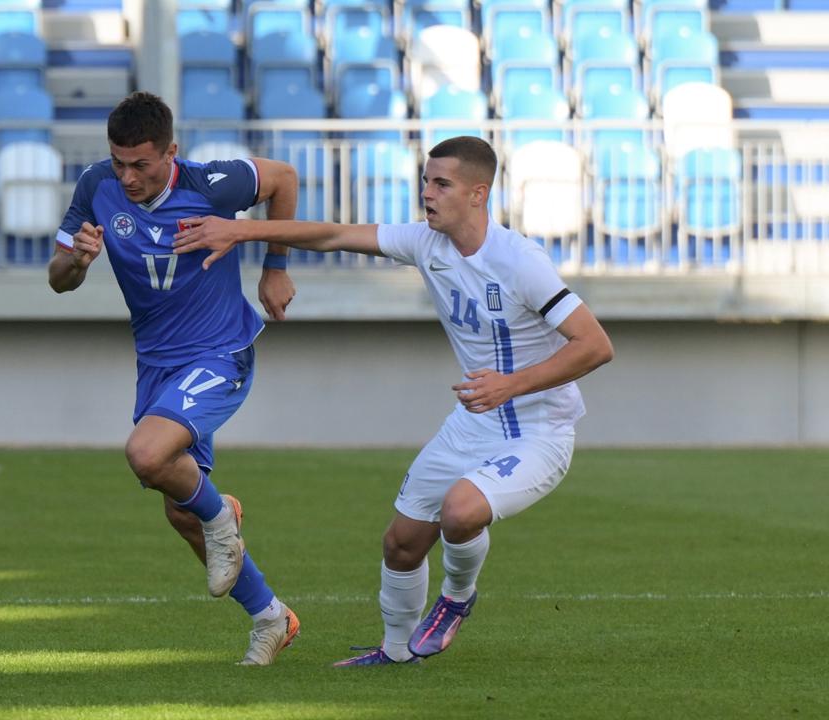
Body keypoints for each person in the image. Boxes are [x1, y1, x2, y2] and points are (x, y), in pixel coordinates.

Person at [172, 135, 615, 666]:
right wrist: (245, 231)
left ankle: (455, 600)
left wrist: (509, 385)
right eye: (425, 180)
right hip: (474, 422)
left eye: (441, 184)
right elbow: (333, 234)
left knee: (460, 511)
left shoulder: (521, 262)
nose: (427, 193)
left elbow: (595, 345)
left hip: (541, 430)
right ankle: (397, 651)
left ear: (479, 194)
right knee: (401, 543)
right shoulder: (425, 242)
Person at [47, 91, 302, 665]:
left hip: (220, 352)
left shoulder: (212, 184)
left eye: (141, 164)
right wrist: (77, 261)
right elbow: (57, 278)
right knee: (180, 510)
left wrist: (276, 268)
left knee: (145, 453)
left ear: (171, 154)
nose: (128, 176)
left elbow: (284, 178)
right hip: (158, 366)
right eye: (119, 163)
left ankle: (222, 513)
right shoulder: (95, 187)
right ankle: (271, 617)